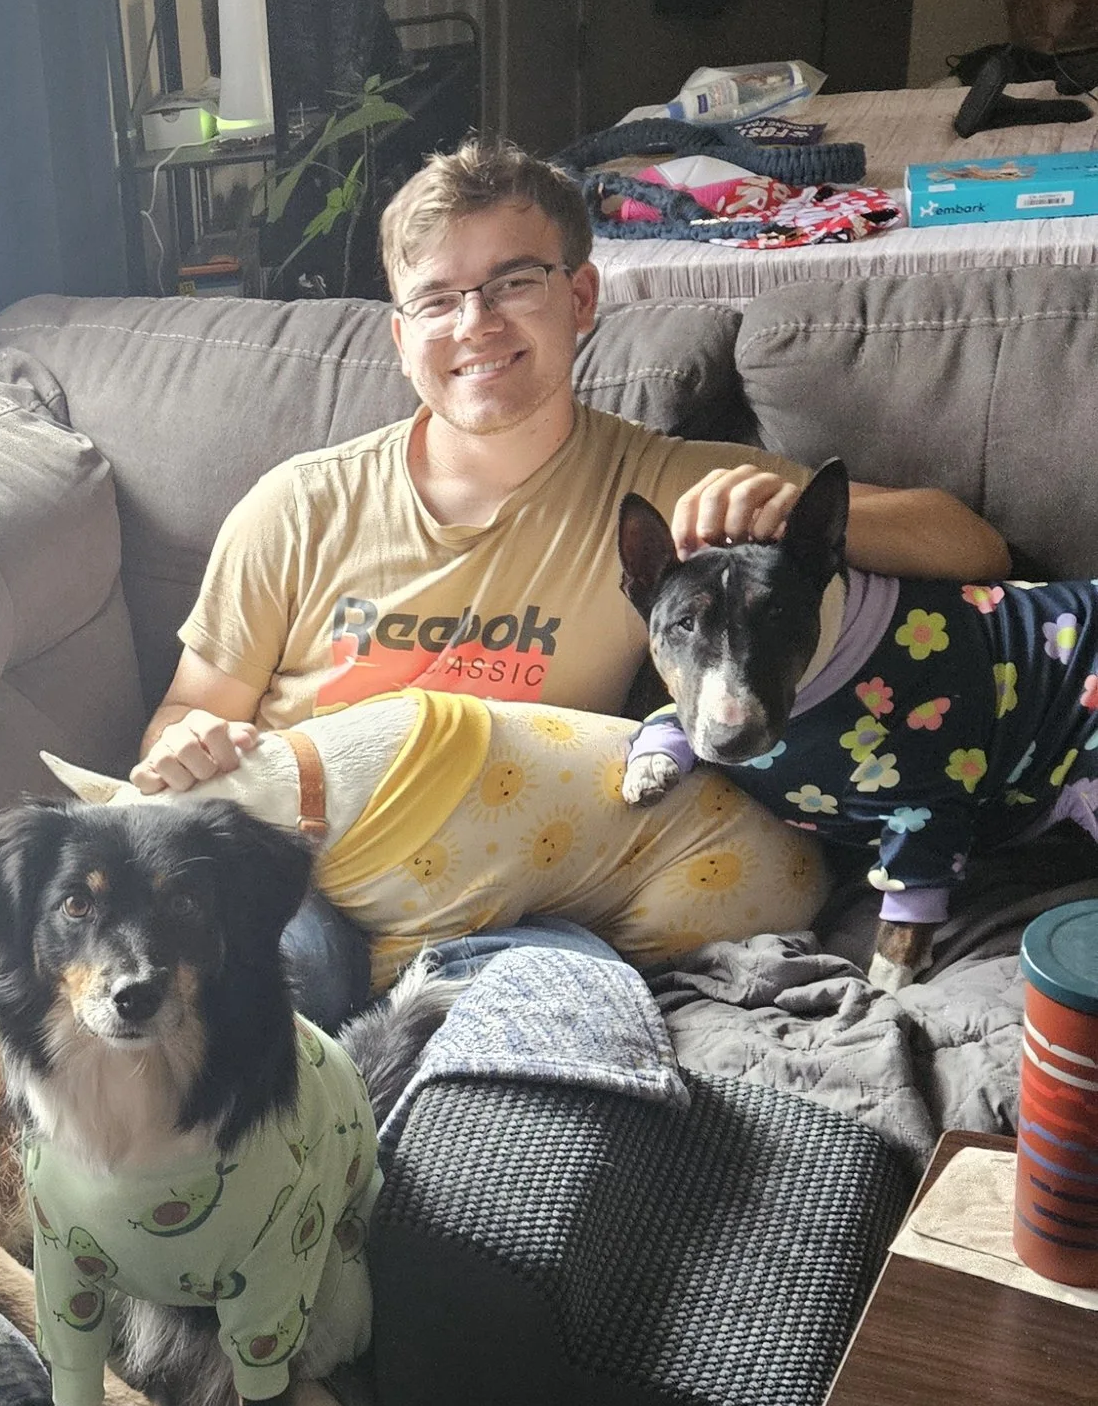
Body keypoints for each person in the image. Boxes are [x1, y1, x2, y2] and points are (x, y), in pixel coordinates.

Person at [132, 138, 1007, 1021]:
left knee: (578, 1002)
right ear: (402, 338)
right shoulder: (297, 505)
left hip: (498, 906)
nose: (475, 324)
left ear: (580, 298)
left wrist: (784, 503)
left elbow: (974, 548)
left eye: (514, 282)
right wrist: (187, 744)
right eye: (437, 299)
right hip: (300, 876)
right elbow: (186, 713)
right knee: (285, 978)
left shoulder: (671, 501)